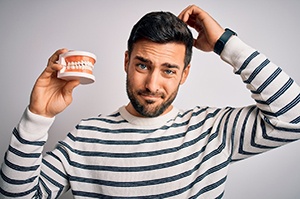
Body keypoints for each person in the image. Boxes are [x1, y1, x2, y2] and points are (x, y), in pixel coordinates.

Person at [1, 4, 300, 198]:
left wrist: (225, 43)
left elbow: (293, 118)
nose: (152, 85)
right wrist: (36, 118)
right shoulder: (85, 137)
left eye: (168, 70)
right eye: (143, 65)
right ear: (127, 62)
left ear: (184, 74)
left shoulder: (213, 130)